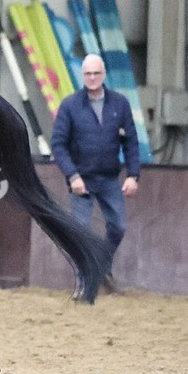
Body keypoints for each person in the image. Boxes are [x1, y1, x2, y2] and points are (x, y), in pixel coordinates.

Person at [51, 53, 139, 294]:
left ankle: (100, 264)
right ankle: (83, 283)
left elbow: (131, 141)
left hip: (109, 178)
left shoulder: (119, 104)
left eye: (96, 73)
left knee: (118, 226)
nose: (92, 78)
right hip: (81, 180)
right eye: (88, 74)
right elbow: (58, 144)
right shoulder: (70, 105)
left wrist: (133, 175)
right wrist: (72, 176)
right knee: (80, 232)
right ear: (83, 76)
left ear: (104, 75)